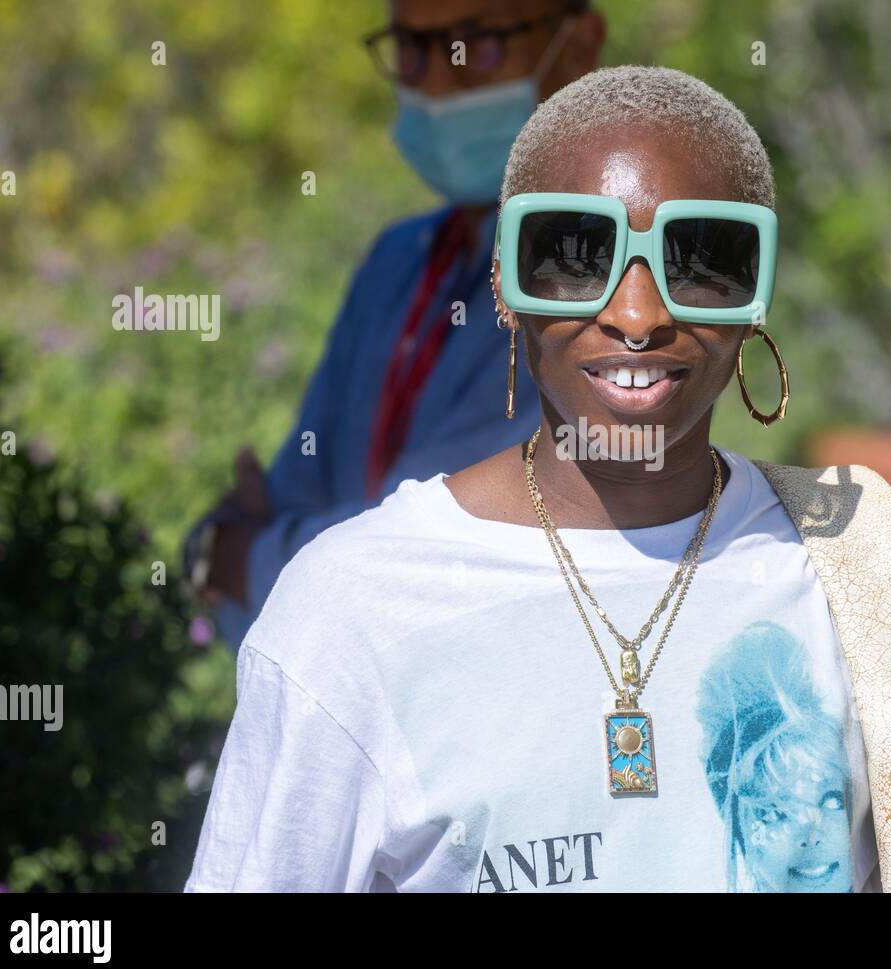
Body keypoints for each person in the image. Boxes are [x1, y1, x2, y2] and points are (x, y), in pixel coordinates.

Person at [185, 66, 891, 893]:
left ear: (759, 295)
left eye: (702, 259)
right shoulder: (353, 608)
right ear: (504, 282)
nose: (637, 313)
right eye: (573, 255)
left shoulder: (856, 562)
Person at [183, 0, 606, 650]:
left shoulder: (602, 275)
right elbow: (304, 497)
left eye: (479, 42)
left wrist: (251, 556)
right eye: (412, 48)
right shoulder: (398, 261)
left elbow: (433, 563)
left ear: (578, 46)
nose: (435, 83)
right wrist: (251, 553)